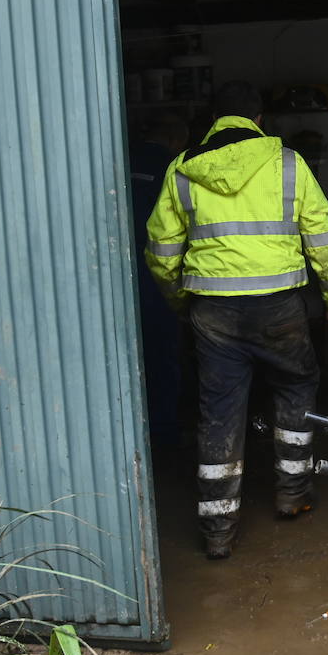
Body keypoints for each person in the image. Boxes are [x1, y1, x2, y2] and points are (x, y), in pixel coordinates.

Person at [145, 81, 328, 559]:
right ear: (259, 120)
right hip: (280, 307)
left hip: (212, 310)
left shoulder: (182, 169)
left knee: (218, 409)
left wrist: (183, 303)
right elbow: (326, 244)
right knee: (296, 388)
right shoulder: (288, 165)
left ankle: (218, 530)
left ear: (214, 121)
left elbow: (160, 253)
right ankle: (292, 495)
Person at [131, 113, 189, 455]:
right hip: (156, 273)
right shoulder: (174, 168)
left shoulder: (122, 159)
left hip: (114, 272)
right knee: (163, 354)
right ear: (177, 141)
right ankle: (164, 436)